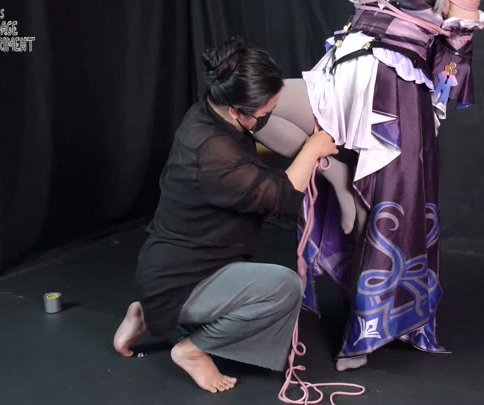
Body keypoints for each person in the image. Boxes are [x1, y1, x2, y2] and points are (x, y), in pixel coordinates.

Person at [251, 0, 484, 371]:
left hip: (395, 88)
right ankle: (334, 174)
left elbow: (455, 53)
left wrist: (460, 25)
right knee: (253, 106)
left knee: (377, 211)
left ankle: (362, 330)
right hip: (345, 68)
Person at [112, 37, 339, 394]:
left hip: (166, 271)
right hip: (182, 278)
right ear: (237, 110)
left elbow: (246, 158)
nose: (267, 118)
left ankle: (146, 314)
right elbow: (282, 199)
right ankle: (192, 349)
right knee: (282, 288)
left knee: (234, 284)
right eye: (264, 114)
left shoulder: (208, 113)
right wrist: (311, 150)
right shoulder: (211, 154)